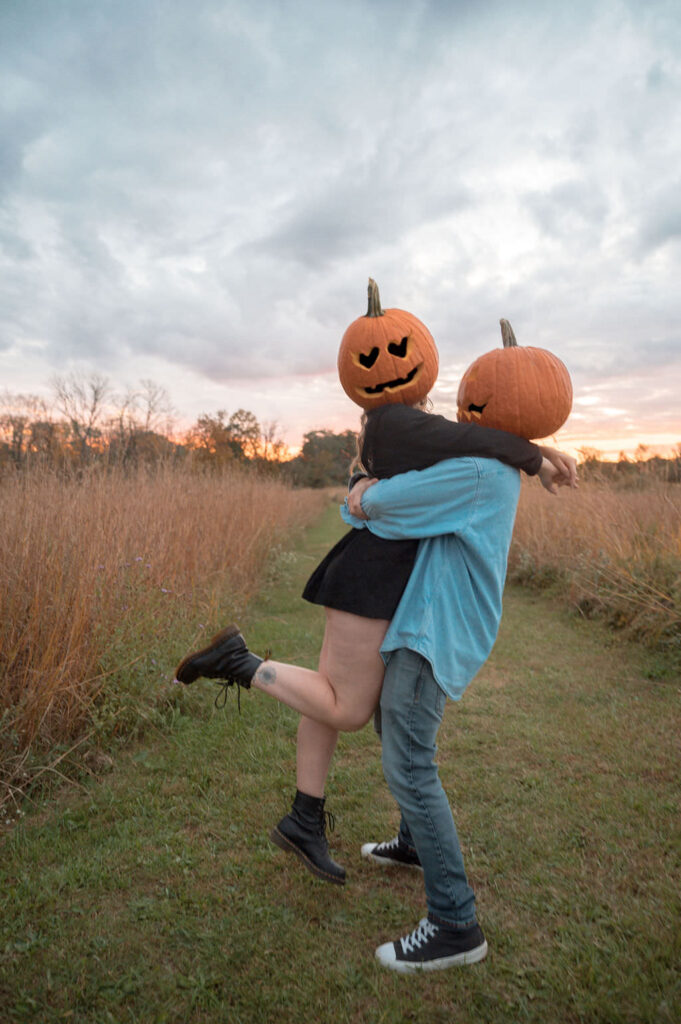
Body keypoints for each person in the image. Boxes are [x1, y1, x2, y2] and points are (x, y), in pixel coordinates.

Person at [175, 401, 576, 886]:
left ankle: (306, 820)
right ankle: (241, 663)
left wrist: (532, 453)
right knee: (345, 709)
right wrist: (531, 455)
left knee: (331, 699)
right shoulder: (405, 424)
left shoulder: (435, 437)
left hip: (376, 577)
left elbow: (469, 441)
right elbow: (445, 448)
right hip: (371, 579)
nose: (453, 422)